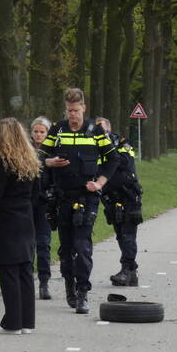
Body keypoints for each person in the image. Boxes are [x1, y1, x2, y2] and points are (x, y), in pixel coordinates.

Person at [38, 88, 119, 314]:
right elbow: (40, 156)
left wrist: (100, 182)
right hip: (62, 197)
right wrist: (50, 163)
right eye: (69, 110)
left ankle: (83, 292)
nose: (73, 115)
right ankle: (69, 287)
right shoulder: (58, 129)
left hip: (87, 197)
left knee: (82, 247)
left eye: (76, 110)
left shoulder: (95, 131)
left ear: (83, 108)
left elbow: (114, 159)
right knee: (66, 249)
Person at [0, 118, 42, 335]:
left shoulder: (4, 161)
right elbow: (37, 192)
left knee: (8, 271)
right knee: (25, 270)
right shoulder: (31, 159)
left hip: (6, 220)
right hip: (25, 216)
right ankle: (27, 321)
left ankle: (12, 322)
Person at [95, 117, 144, 286]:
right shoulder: (94, 147)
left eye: (103, 128)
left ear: (109, 129)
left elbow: (125, 162)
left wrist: (108, 148)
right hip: (111, 198)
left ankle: (128, 270)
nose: (100, 131)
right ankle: (130, 272)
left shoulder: (122, 142)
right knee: (120, 235)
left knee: (128, 234)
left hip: (129, 196)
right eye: (97, 128)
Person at [29, 116, 54, 299]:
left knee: (43, 243)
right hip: (28, 202)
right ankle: (28, 279)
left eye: (42, 132)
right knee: (27, 242)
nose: (38, 135)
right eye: (36, 131)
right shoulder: (25, 150)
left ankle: (44, 281)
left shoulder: (52, 152)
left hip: (45, 202)